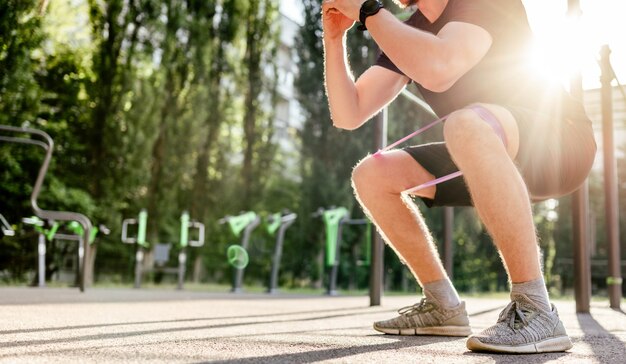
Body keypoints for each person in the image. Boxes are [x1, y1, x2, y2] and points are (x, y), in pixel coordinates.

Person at [321, 0, 596, 354]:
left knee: (465, 123)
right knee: (371, 175)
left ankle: (536, 309)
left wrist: (369, 11)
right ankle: (442, 305)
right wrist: (333, 39)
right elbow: (349, 112)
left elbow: (440, 66)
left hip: (559, 144)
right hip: (482, 145)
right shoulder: (409, 28)